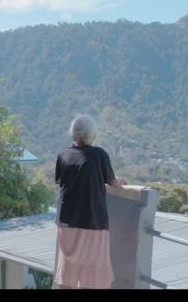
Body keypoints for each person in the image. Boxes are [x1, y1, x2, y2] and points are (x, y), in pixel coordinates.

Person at [53, 114, 126, 289]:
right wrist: (122, 181)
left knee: (67, 268)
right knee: (92, 271)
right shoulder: (99, 154)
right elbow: (112, 182)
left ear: (73, 133)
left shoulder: (63, 154)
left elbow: (59, 180)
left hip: (66, 220)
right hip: (92, 220)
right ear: (91, 134)